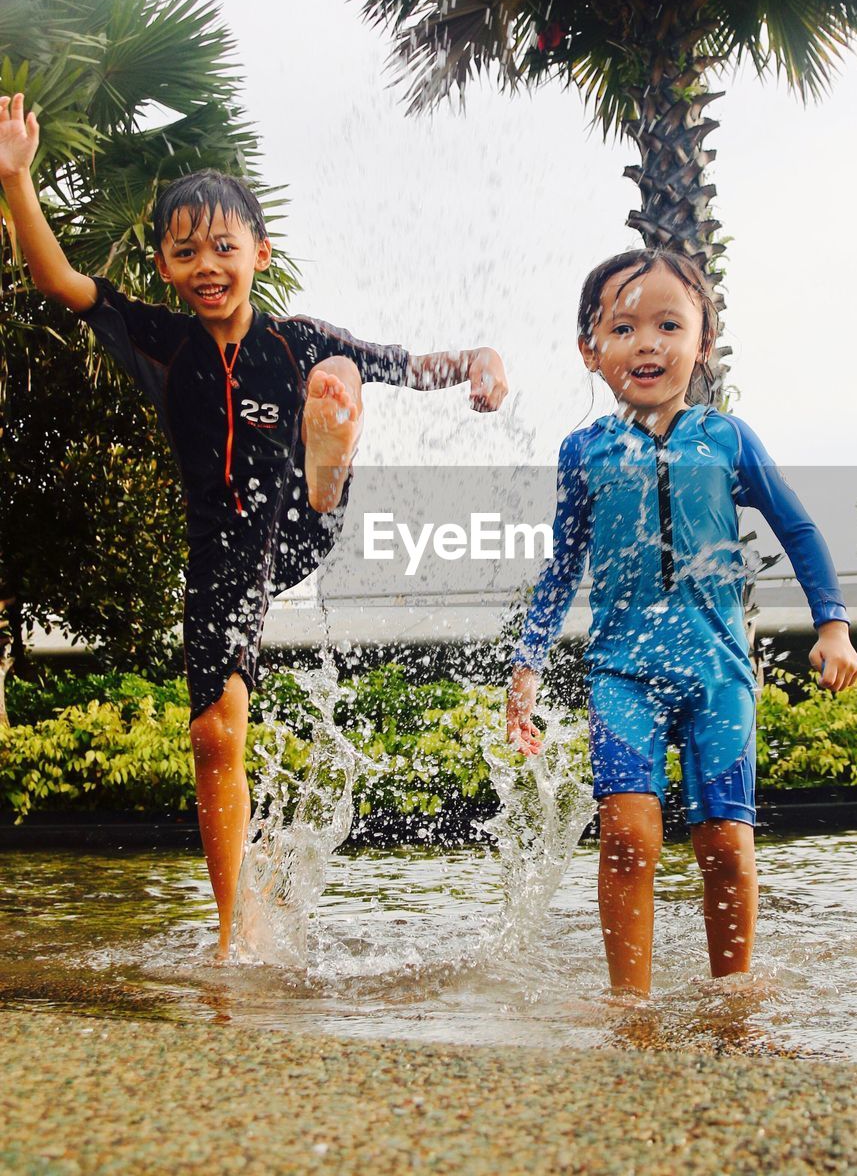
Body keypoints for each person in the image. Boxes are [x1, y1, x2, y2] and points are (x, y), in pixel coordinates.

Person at [0, 92, 508, 957]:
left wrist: (482, 360)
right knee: (212, 734)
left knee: (339, 372)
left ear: (259, 255)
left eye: (224, 247)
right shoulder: (161, 341)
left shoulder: (294, 337)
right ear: (163, 263)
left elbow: (410, 364)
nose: (207, 263)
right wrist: (16, 178)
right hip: (225, 558)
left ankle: (330, 448)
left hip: (304, 523)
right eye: (186, 249)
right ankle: (237, 932)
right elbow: (59, 282)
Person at [506, 248, 857, 997]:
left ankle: (732, 1002)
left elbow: (798, 528)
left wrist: (832, 623)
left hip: (717, 673)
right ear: (589, 349)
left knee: (725, 843)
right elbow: (562, 566)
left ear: (703, 344)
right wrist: (529, 663)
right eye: (624, 326)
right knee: (629, 834)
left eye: (670, 324)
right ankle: (627, 1008)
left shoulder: (727, 439)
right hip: (621, 673)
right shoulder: (584, 452)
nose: (648, 343)